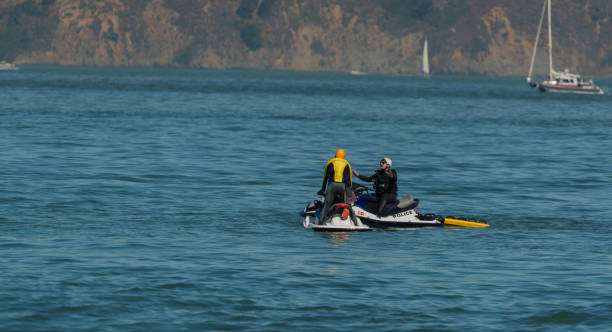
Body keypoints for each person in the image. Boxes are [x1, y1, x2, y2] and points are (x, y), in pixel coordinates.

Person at [317, 149, 354, 222]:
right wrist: (349, 193)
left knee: (327, 205)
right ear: (344, 156)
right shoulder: (347, 164)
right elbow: (349, 180)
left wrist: (323, 189)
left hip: (332, 185)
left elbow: (325, 177)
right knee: (342, 204)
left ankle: (321, 222)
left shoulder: (330, 162)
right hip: (342, 186)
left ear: (336, 155)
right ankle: (346, 221)